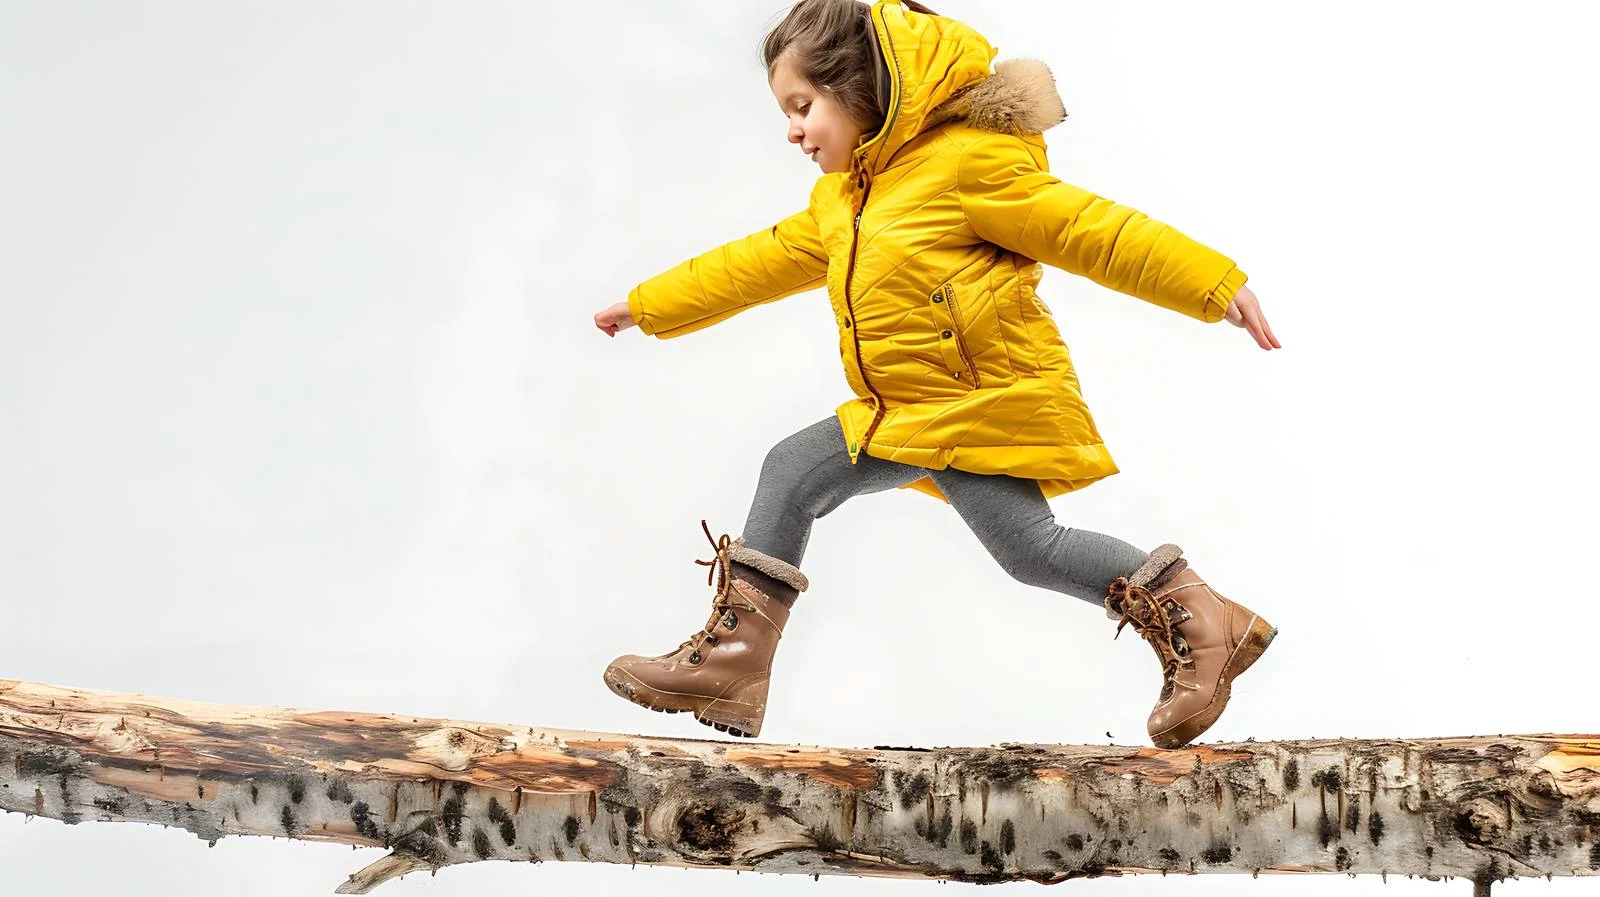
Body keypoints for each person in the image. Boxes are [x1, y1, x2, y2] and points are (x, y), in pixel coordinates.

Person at [592, 0, 1281, 748]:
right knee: (828, 482)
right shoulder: (843, 202)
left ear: (863, 90)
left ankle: (1201, 618)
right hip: (906, 410)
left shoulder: (966, 165)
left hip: (975, 403)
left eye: (803, 106)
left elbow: (1091, 229)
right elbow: (752, 263)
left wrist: (1213, 283)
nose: (792, 129)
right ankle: (735, 662)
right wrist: (647, 303)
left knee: (1004, 542)